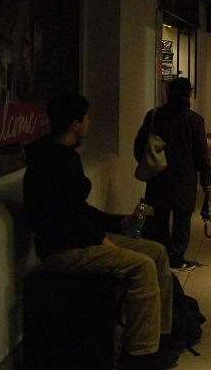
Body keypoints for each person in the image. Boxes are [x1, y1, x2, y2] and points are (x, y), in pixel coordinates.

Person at [24, 94, 178, 370]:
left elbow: (77, 210)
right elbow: (63, 219)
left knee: (157, 252)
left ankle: (160, 337)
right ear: (75, 124)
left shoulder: (62, 156)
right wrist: (103, 240)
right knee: (141, 266)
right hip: (64, 250)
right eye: (87, 118)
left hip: (79, 239)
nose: (90, 122)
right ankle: (140, 354)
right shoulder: (52, 162)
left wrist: (116, 223)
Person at [134, 78, 211, 272]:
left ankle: (160, 255)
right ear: (189, 95)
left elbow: (139, 146)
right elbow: (201, 153)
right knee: (182, 218)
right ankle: (176, 258)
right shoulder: (195, 120)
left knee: (159, 217)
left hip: (158, 176)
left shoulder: (153, 116)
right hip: (184, 177)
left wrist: (150, 163)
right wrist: (206, 177)